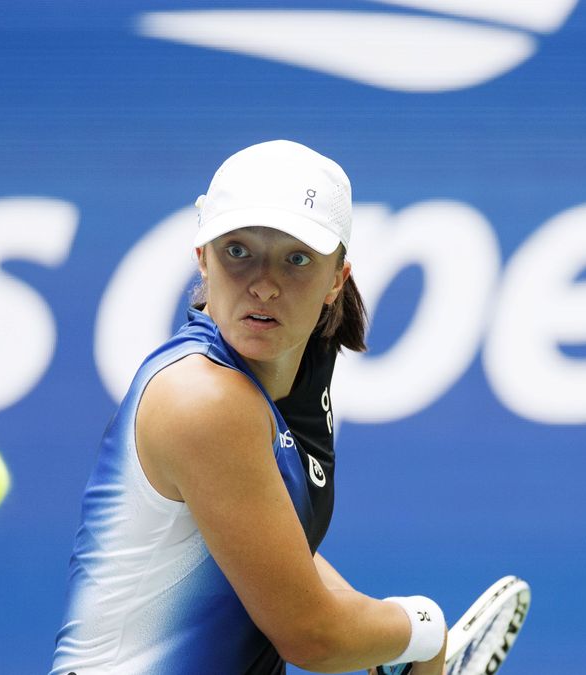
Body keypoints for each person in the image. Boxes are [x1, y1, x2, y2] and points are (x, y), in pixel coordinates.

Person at [50, 140, 447, 674]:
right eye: (238, 251)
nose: (264, 285)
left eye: (296, 259)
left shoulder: (296, 378)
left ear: (336, 279)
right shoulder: (204, 399)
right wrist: (422, 626)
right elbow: (311, 637)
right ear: (202, 258)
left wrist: (379, 644)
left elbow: (270, 550)